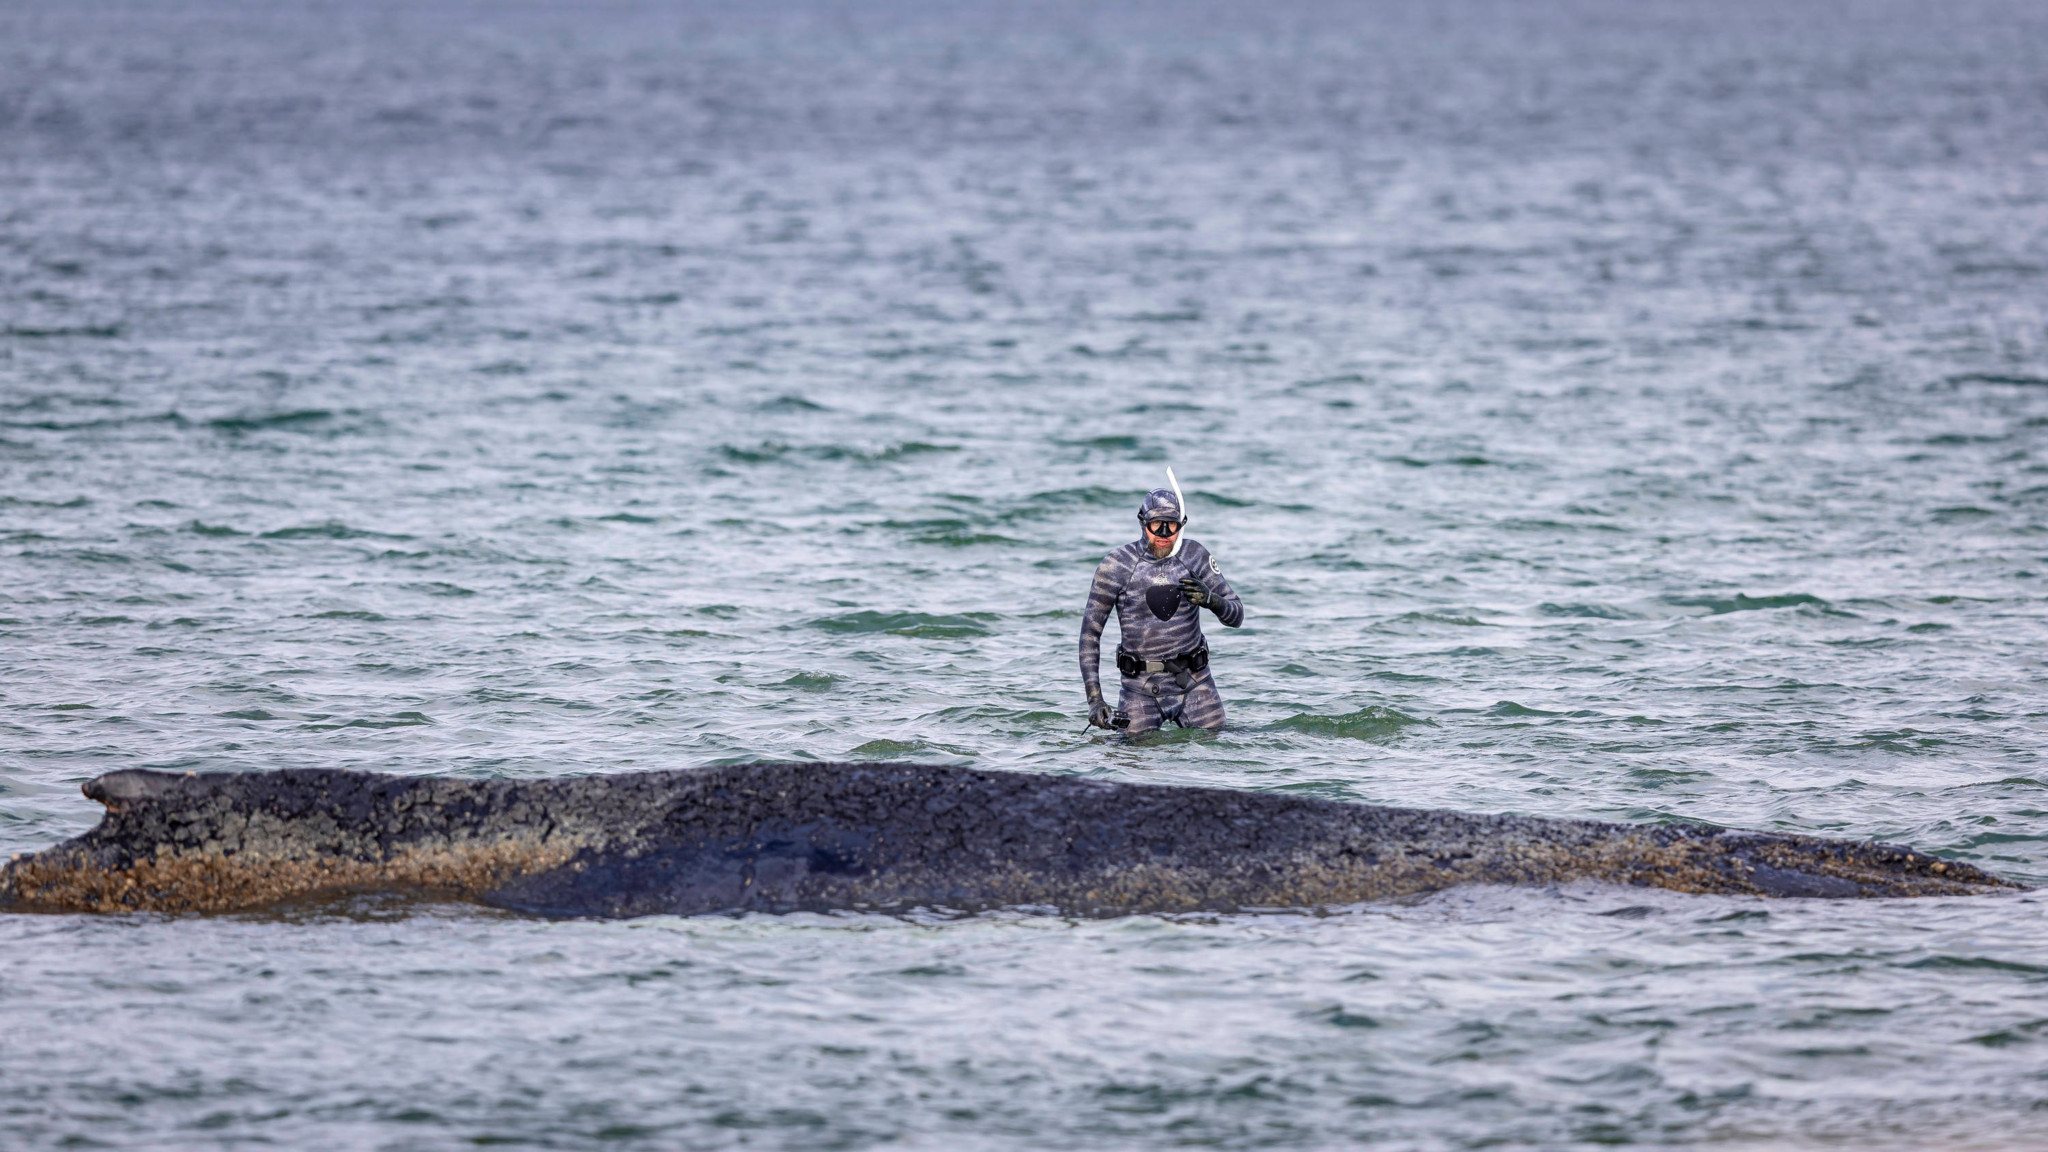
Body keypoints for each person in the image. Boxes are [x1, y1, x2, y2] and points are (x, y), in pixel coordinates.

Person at [1079, 472, 1243, 732]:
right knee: (1130, 762)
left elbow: (1237, 615)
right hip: (1139, 691)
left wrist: (1211, 600)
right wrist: (1095, 700)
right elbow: (1090, 635)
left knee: (1221, 754)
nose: (1165, 533)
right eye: (1157, 525)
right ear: (1142, 522)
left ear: (1182, 524)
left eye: (1172, 525)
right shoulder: (1116, 565)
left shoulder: (1195, 556)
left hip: (1196, 684)